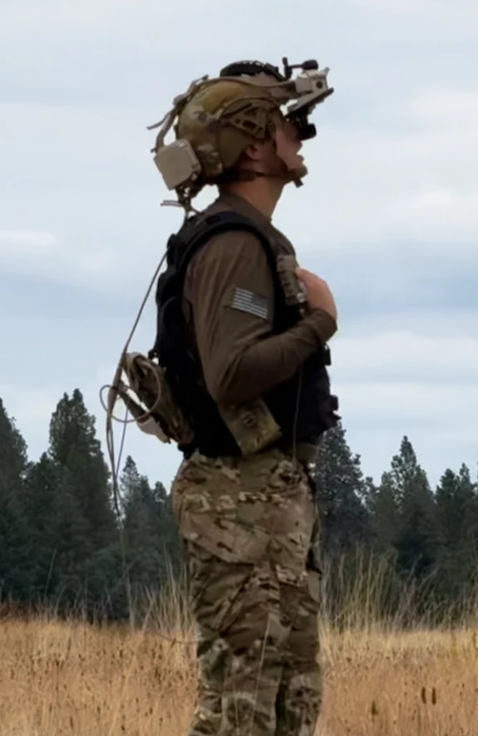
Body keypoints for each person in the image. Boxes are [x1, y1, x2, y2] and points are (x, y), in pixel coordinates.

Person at [143, 59, 341, 736]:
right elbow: (231, 373)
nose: (301, 135)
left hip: (264, 502)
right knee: (243, 710)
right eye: (288, 121)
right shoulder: (234, 243)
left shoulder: (244, 238)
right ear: (254, 144)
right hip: (241, 506)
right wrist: (319, 324)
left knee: (284, 704)